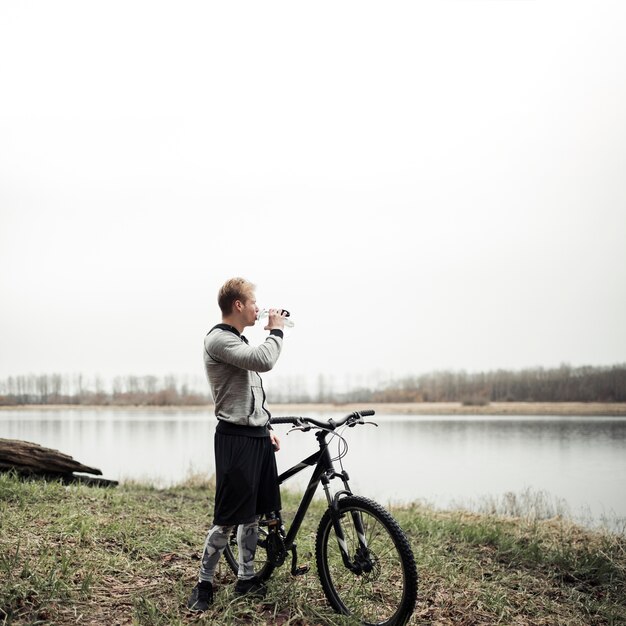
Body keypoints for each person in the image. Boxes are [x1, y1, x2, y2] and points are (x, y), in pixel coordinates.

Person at [187, 277, 287, 612]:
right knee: (228, 518)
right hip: (234, 438)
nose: (259, 308)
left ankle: (245, 577)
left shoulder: (239, 342)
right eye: (254, 302)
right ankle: (203, 582)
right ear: (239, 305)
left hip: (256, 436)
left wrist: (266, 426)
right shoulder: (218, 340)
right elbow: (263, 361)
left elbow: (250, 394)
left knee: (255, 515)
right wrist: (276, 330)